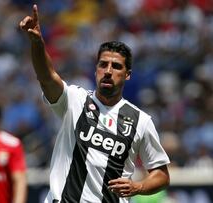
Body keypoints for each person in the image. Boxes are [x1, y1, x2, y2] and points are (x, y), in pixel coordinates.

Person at [19, 4, 170, 203]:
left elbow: (161, 174)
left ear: (127, 75)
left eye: (116, 66)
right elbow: (47, 77)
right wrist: (37, 43)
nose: (108, 70)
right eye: (103, 64)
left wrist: (139, 186)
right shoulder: (74, 99)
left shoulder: (141, 121)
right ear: (95, 69)